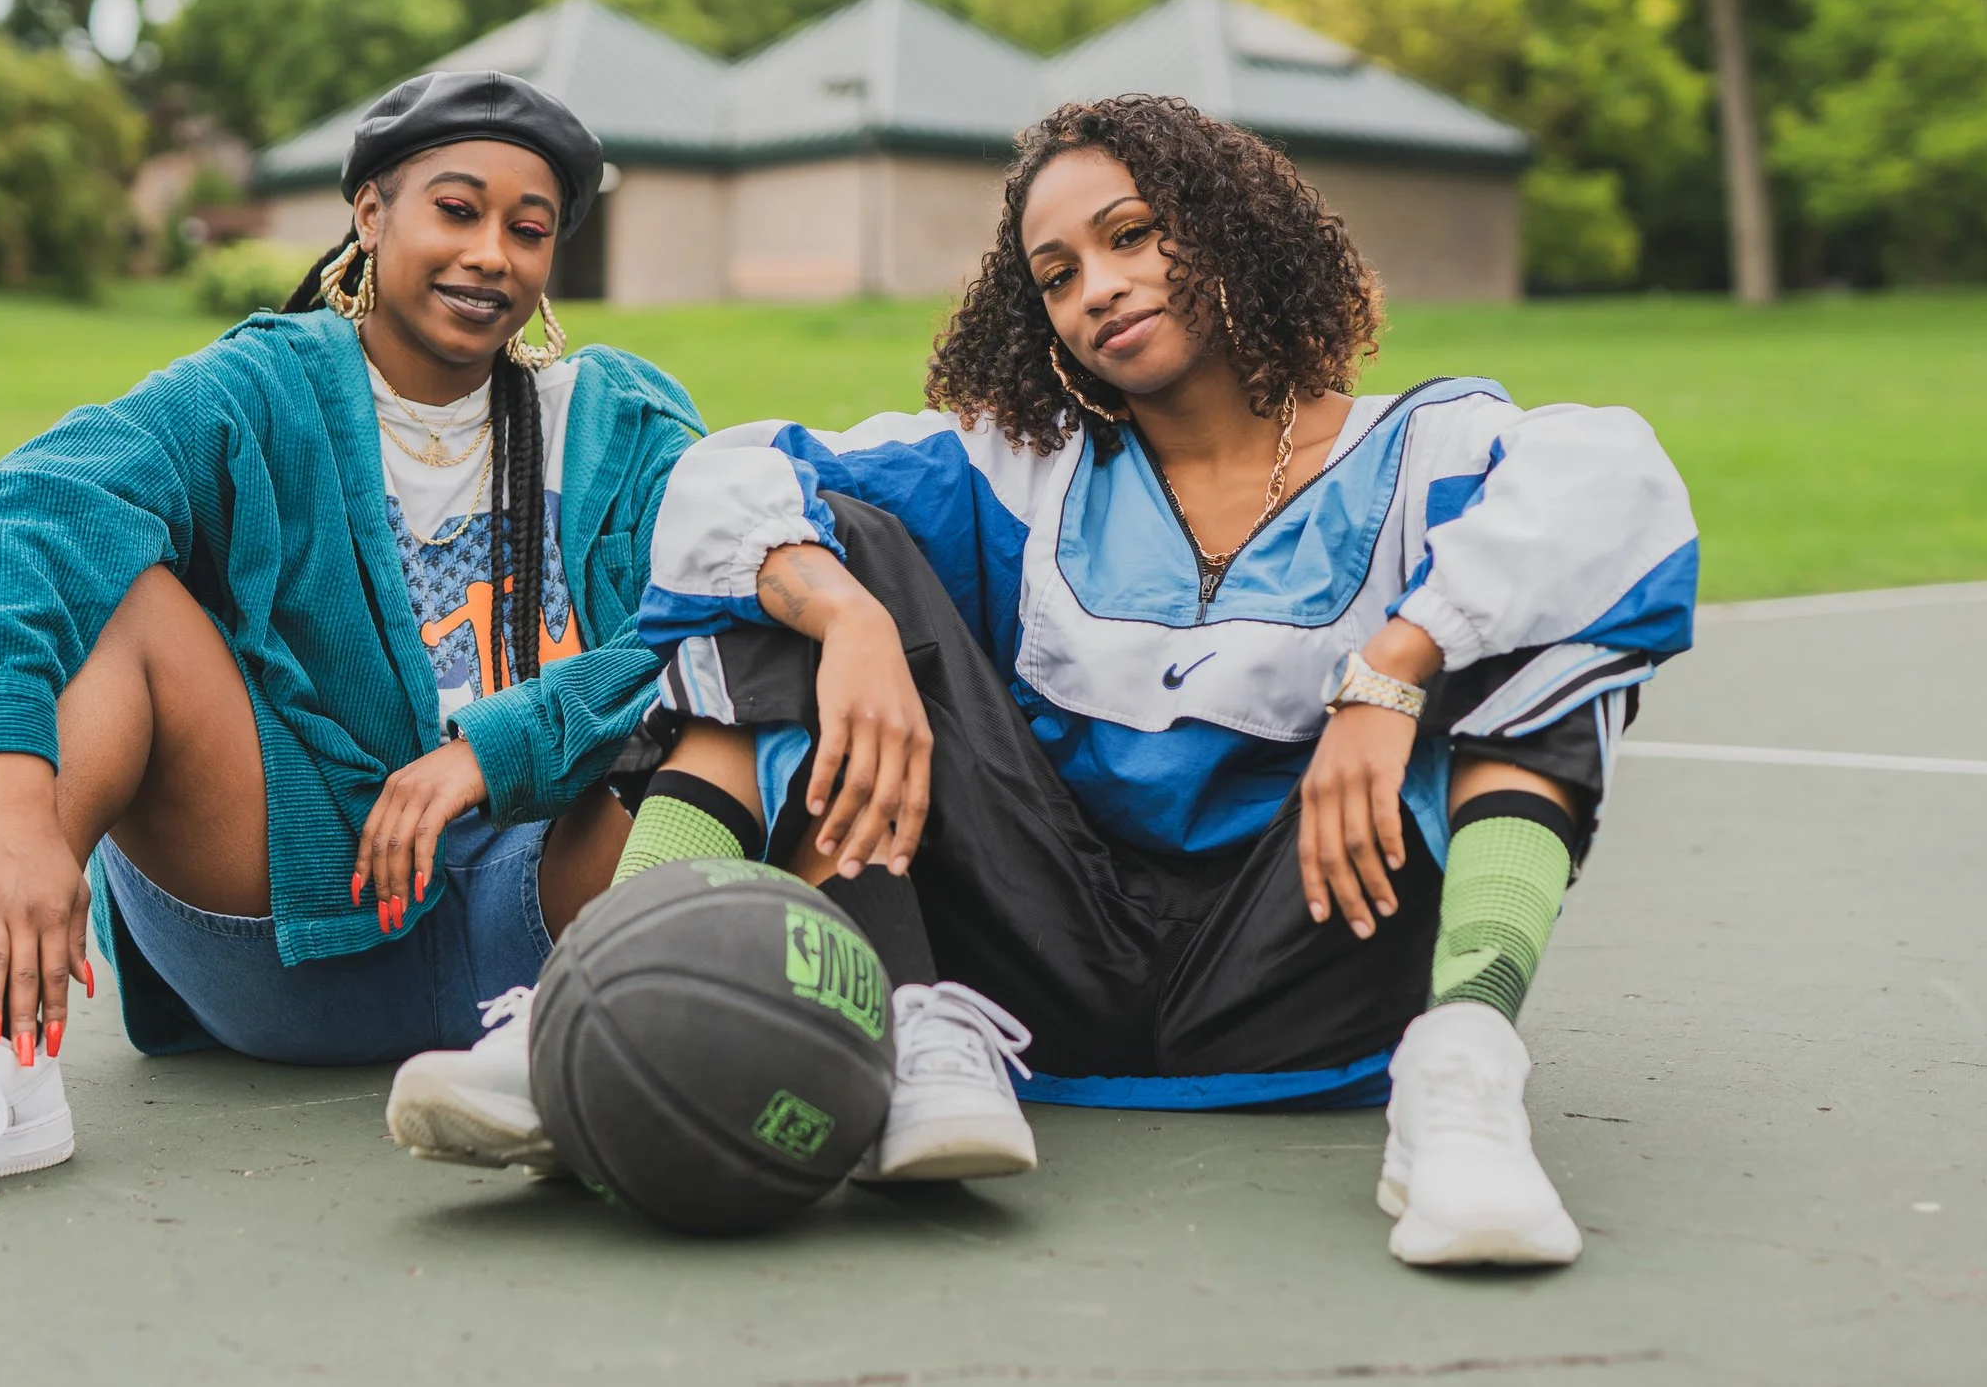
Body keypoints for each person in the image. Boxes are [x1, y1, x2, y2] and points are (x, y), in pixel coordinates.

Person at [392, 94, 1697, 1265]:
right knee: (795, 563)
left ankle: (1464, 1075)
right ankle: (606, 1022)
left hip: (1311, 966)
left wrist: (1391, 670)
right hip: (1028, 983)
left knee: (1533, 611)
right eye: (1059, 272)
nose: (1099, 289)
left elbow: (1622, 494)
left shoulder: (1433, 453)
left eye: (1133, 236)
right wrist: (844, 617)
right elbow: (723, 482)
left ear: (1237, 228)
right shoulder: (1021, 474)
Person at [0, 71, 703, 1215]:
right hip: (294, 922)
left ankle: (835, 1022)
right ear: (370, 215)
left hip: (550, 923)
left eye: (529, 227)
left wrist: (493, 748)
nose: (491, 251)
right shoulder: (260, 390)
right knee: (122, 593)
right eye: (457, 209)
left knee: (750, 674)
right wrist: (11, 808)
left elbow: (707, 615)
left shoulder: (619, 418)